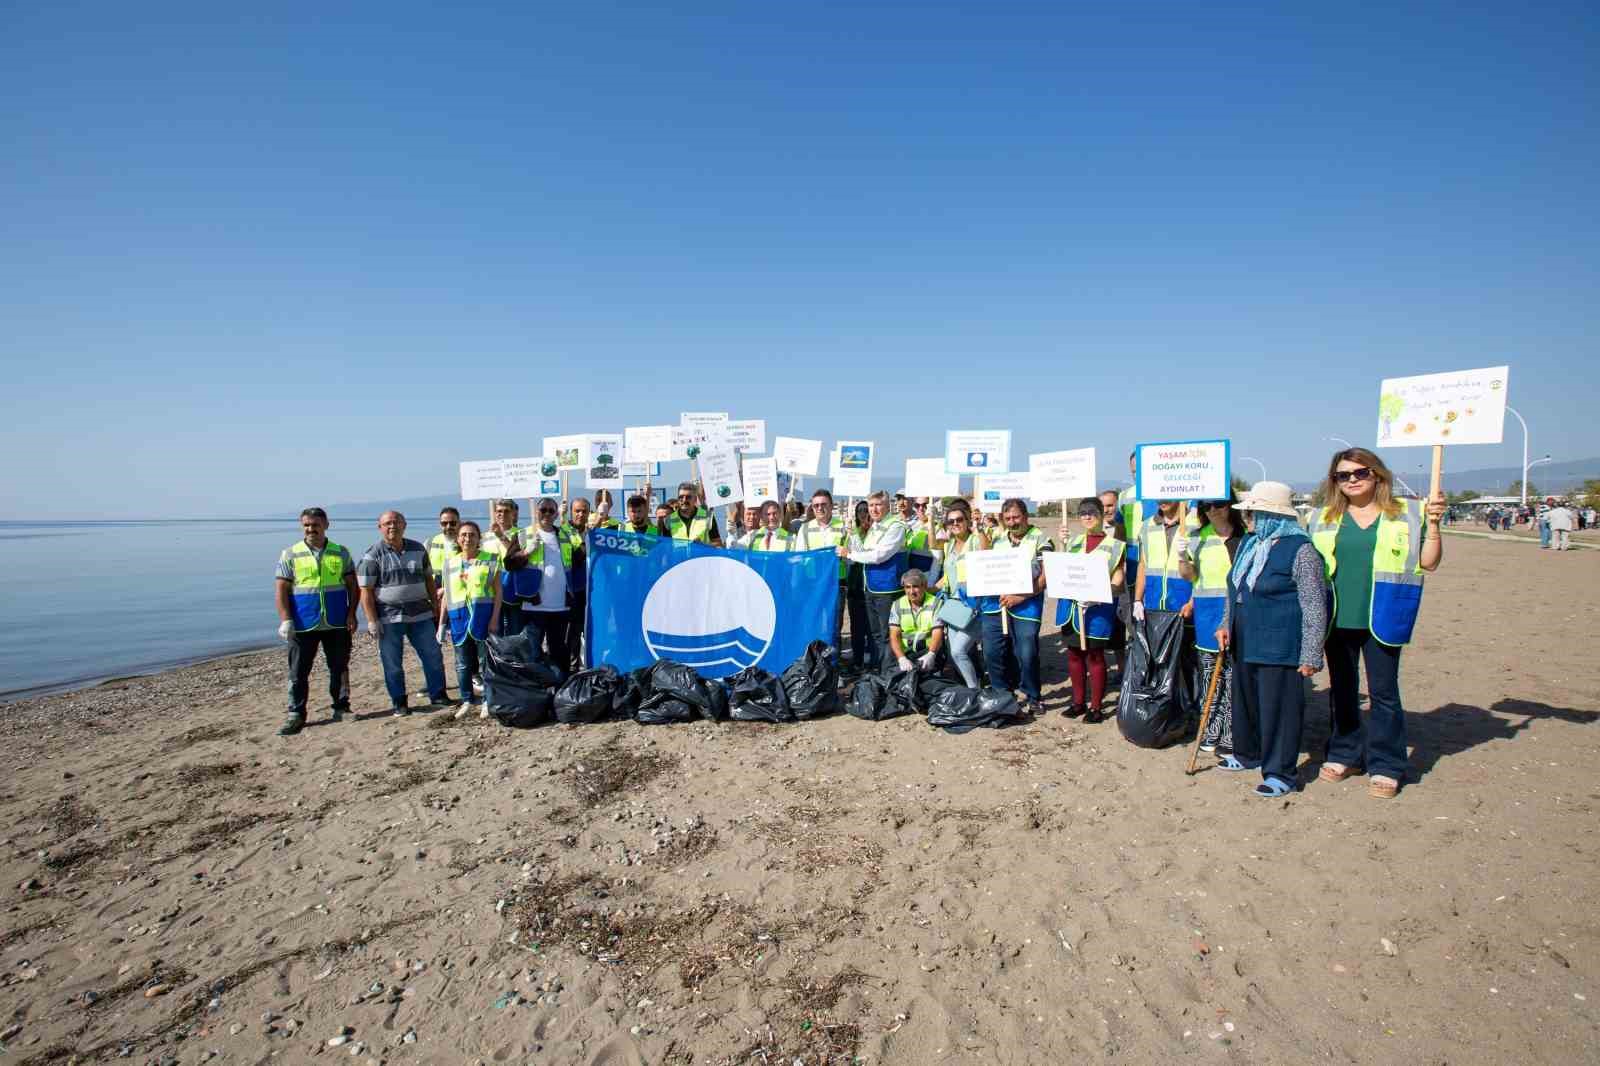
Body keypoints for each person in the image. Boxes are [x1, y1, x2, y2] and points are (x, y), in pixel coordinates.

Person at [1308, 448, 1446, 799]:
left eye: (1360, 472)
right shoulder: (1320, 517)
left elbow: (1429, 563)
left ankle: (1386, 764)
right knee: (1342, 689)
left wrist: (1433, 525)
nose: (1352, 480)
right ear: (1334, 480)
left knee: (1384, 693)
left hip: (1384, 615)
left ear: (1377, 475)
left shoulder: (1406, 515)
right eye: (1343, 475)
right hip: (1337, 616)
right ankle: (1345, 753)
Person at [1214, 482, 1329, 798]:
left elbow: (1314, 604)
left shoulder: (1301, 550)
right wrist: (1226, 624)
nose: (1247, 519)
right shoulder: (1250, 544)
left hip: (1280, 643)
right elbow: (1234, 590)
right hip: (1244, 640)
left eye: (1253, 513)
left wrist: (1311, 653)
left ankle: (1280, 772)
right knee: (1246, 700)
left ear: (1271, 514)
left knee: (1279, 708)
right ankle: (1247, 752)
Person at [274, 508, 359, 736]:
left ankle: (341, 707)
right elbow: (281, 589)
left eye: (315, 525)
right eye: (306, 525)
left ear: (326, 525)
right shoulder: (290, 554)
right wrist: (285, 620)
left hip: (336, 622)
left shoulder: (341, 552)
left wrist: (352, 614)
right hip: (303, 623)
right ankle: (296, 713)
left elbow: (353, 586)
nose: (311, 529)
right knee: (298, 671)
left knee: (339, 667)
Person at [357, 511, 448, 716]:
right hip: (389, 617)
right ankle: (399, 702)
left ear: (404, 525)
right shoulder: (372, 555)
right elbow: (365, 591)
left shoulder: (418, 549)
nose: (392, 527)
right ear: (379, 527)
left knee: (433, 656)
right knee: (392, 662)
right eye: (387, 523)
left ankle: (439, 695)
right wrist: (371, 621)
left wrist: (434, 605)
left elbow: (428, 580)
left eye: (397, 522)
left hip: (421, 614)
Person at [1180, 495, 1243, 753]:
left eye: (1219, 504)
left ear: (1230, 505)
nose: (1213, 510)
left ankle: (1231, 730)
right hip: (1206, 613)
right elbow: (1189, 576)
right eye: (1207, 506)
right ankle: (1210, 728)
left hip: (1237, 612)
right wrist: (1182, 556)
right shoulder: (1197, 535)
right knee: (1208, 674)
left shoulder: (1244, 537)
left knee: (1232, 674)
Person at [979, 498, 1053, 715]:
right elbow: (986, 564)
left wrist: (1021, 597)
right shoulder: (999, 539)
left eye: (1016, 517)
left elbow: (1045, 576)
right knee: (992, 651)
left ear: (1026, 517)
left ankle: (1033, 696)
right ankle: (1002, 694)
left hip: (1026, 606)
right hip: (997, 604)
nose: (1012, 522)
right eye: (1008, 518)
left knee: (1027, 652)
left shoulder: (1041, 539)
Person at [1055, 498, 1125, 721]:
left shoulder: (1114, 546)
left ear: (1101, 515)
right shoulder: (1073, 542)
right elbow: (1060, 572)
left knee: (1095, 656)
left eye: (1092, 512)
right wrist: (1061, 545)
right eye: (1083, 512)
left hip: (1097, 611)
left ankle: (1096, 707)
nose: (1087, 516)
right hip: (1071, 608)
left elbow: (1119, 582)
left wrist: (1099, 595)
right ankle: (1077, 703)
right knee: (1074, 654)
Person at [439, 521, 502, 719]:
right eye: (464, 535)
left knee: (485, 661)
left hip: (482, 617)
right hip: (458, 619)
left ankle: (487, 700)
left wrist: (494, 618)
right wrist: (441, 624)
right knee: (462, 663)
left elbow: (498, 592)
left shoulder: (491, 559)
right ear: (458, 538)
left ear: (478, 538)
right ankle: (467, 699)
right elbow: (447, 596)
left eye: (472, 535)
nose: (468, 538)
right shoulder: (449, 563)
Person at [841, 490, 908, 672]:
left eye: (878, 504)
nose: (874, 509)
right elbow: (863, 552)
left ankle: (890, 672)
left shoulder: (896, 525)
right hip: (870, 588)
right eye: (871, 505)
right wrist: (852, 535)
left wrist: (851, 554)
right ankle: (879, 669)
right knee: (875, 634)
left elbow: (879, 555)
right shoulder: (875, 527)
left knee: (888, 634)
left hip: (887, 588)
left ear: (887, 506)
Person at [935, 499, 989, 688]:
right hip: (953, 606)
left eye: (959, 520)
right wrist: (929, 588)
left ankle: (974, 690)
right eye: (951, 521)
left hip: (973, 605)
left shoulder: (975, 540)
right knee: (955, 654)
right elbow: (948, 576)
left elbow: (985, 553)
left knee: (959, 651)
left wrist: (980, 528)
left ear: (967, 521)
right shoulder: (949, 546)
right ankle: (973, 687)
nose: (955, 524)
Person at [523, 497, 577, 668]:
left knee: (558, 650)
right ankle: (535, 689)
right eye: (543, 510)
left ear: (556, 514)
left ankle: (559, 686)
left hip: (560, 605)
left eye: (551, 510)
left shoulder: (565, 535)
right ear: (536, 512)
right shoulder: (524, 534)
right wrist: (525, 552)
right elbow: (510, 563)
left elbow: (579, 557)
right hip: (534, 605)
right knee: (533, 651)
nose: (546, 513)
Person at [795, 488, 849, 654]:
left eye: (823, 504)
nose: (819, 508)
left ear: (831, 505)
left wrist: (847, 548)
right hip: (813, 583)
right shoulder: (805, 528)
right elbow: (800, 558)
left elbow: (852, 555)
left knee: (834, 624)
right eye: (816, 505)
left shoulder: (844, 526)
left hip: (837, 582)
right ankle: (815, 663)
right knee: (814, 623)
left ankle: (833, 666)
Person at [1134, 499, 1200, 621]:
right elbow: (1143, 565)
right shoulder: (1147, 525)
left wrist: (1192, 603)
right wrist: (1138, 600)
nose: (1162, 500)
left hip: (1185, 608)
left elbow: (1202, 571)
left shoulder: (1195, 525)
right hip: (1153, 607)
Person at [483, 499, 527, 636]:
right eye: (499, 511)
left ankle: (515, 657)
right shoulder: (485, 536)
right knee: (495, 632)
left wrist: (501, 536)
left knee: (514, 631)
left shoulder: (521, 533)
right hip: (492, 589)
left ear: (513, 513)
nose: (502, 514)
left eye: (506, 511)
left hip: (512, 588)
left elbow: (519, 557)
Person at [889, 569, 946, 674]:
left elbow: (937, 632)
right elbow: (894, 635)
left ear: (924, 586)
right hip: (907, 653)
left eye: (915, 586)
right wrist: (901, 658)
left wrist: (931, 654)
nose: (911, 591)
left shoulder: (936, 603)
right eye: (907, 587)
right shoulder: (897, 604)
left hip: (928, 651)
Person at [658, 482, 722, 545]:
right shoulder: (669, 520)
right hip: (679, 555)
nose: (684, 500)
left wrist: (703, 545)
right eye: (681, 497)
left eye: (688, 497)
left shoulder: (708, 516)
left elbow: (718, 543)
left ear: (695, 499)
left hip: (702, 555)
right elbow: (666, 545)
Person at [427, 507, 461, 578]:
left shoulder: (467, 542)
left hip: (457, 584)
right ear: (440, 524)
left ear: (459, 523)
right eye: (444, 523)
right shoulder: (431, 541)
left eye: (453, 523)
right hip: (435, 586)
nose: (448, 526)